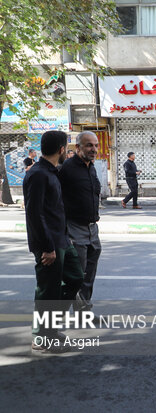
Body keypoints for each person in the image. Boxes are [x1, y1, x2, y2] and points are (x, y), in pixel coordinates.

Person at [24, 130, 83, 354]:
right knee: (47, 289)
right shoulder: (39, 174)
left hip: (61, 238)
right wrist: (47, 247)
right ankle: (42, 337)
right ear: (61, 150)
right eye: (66, 148)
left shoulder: (52, 172)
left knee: (75, 278)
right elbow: (35, 213)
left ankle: (49, 326)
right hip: (49, 243)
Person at [58, 131, 102, 314]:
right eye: (89, 145)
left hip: (93, 228)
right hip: (74, 227)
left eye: (96, 145)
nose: (94, 149)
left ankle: (84, 310)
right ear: (78, 147)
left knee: (89, 273)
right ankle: (53, 322)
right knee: (77, 274)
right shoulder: (66, 168)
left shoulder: (91, 166)